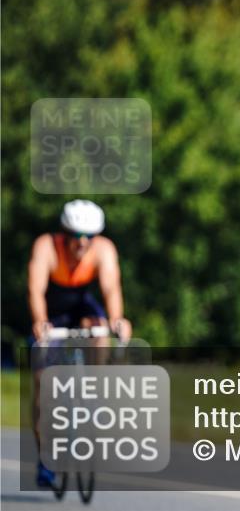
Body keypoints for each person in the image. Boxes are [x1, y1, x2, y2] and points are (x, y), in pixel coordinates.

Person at [27, 199, 132, 488]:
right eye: (75, 236)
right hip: (51, 312)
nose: (81, 243)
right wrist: (40, 321)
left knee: (100, 331)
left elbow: (111, 287)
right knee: (42, 389)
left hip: (82, 308)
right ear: (64, 233)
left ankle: (94, 392)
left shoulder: (104, 249)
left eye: (89, 237)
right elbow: (35, 289)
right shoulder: (46, 247)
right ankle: (46, 458)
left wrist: (117, 319)